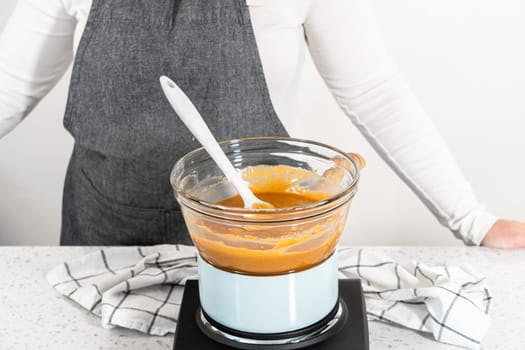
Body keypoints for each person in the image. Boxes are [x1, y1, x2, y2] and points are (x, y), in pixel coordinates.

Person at [0, 0, 523, 248]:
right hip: (102, 236)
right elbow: (11, 82)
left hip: (257, 233)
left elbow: (373, 90)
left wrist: (474, 222)